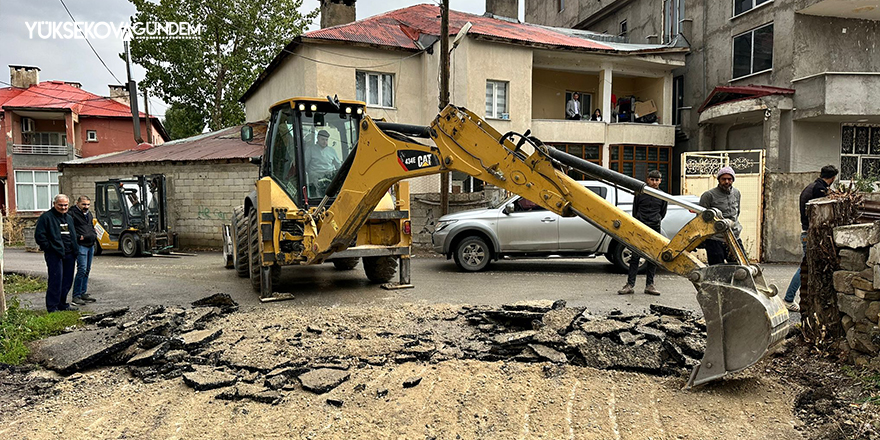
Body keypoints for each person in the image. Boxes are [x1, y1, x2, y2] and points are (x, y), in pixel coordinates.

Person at [782, 165, 838, 312]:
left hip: (808, 231)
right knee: (805, 267)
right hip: (812, 233)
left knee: (808, 266)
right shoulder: (819, 189)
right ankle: (788, 299)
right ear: (833, 178)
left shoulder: (812, 186)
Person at [618, 170, 667, 296]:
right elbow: (635, 211)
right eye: (652, 179)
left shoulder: (663, 195)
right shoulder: (640, 193)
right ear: (648, 179)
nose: (654, 182)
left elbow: (663, 213)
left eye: (657, 180)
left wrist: (655, 220)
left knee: (652, 257)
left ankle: (650, 285)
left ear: (660, 181)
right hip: (640, 226)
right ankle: (630, 285)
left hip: (654, 227)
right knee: (635, 256)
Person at [34, 194, 78, 312]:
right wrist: (49, 248)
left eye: (65, 205)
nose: (63, 207)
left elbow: (73, 235)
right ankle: (52, 306)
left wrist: (75, 249)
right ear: (54, 204)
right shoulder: (46, 217)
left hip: (69, 254)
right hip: (54, 254)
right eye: (60, 205)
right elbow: (39, 236)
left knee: (67, 280)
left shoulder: (69, 218)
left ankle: (62, 304)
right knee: (55, 280)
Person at [699, 166, 744, 265]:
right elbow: (701, 218)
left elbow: (737, 212)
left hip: (734, 236)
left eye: (729, 179)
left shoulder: (736, 193)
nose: (727, 182)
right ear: (718, 179)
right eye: (724, 179)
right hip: (715, 238)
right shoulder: (708, 195)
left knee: (740, 267)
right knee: (717, 269)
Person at [70, 195, 97, 306]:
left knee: (87, 270)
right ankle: (76, 296)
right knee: (82, 269)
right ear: (78, 203)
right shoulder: (71, 214)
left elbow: (91, 226)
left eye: (88, 204)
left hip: (90, 244)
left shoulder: (88, 214)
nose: (86, 207)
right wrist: (77, 237)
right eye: (84, 204)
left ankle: (83, 293)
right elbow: (69, 228)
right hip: (81, 245)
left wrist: (93, 235)